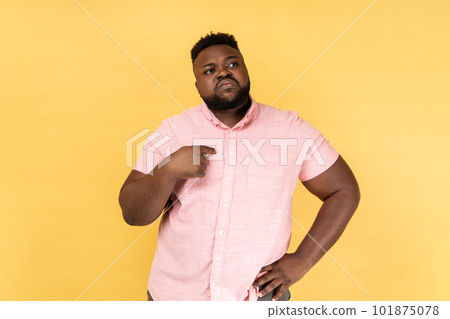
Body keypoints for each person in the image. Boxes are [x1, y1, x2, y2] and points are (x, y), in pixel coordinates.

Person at [118, 32, 360, 301]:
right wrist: (168, 169)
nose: (222, 72)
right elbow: (133, 214)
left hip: (257, 299)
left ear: (245, 70)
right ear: (198, 85)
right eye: (210, 70)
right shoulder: (173, 131)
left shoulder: (292, 130)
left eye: (232, 64)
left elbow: (343, 190)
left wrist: (303, 260)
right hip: (175, 298)